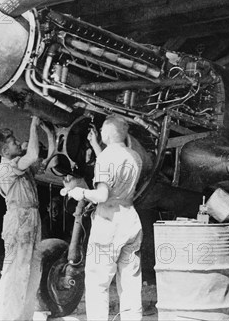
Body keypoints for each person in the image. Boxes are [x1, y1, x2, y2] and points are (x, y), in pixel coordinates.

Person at [61, 115, 143, 321]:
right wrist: (95, 145)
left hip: (109, 222)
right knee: (130, 281)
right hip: (131, 220)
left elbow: (103, 195)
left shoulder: (107, 158)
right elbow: (111, 168)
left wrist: (81, 193)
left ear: (107, 133)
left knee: (98, 282)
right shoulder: (135, 156)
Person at [0, 115, 50, 321]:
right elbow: (33, 155)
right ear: (5, 151)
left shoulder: (18, 164)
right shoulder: (5, 168)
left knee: (32, 270)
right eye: (14, 142)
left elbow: (40, 162)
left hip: (31, 217)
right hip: (18, 219)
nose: (18, 143)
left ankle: (25, 317)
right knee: (15, 271)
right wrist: (34, 126)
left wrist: (30, 146)